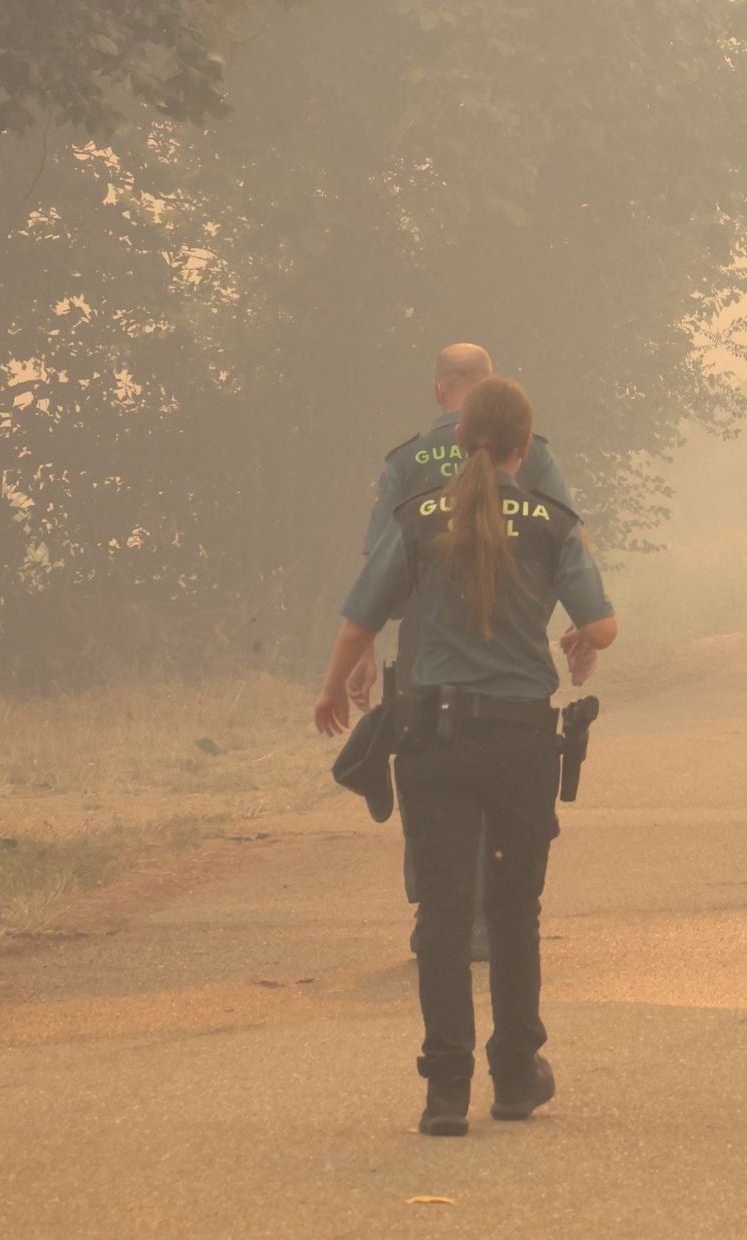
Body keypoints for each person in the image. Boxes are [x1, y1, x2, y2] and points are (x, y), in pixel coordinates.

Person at [315, 376, 618, 1137]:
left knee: (444, 916)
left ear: (458, 438)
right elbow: (603, 624)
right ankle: (515, 1077)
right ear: (526, 445)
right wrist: (579, 635)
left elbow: (360, 620)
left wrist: (330, 690)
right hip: (520, 743)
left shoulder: (419, 516)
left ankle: (445, 1091)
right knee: (514, 912)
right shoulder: (552, 522)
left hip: (436, 740)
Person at [350, 343, 585, 963]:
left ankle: (436, 912)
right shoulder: (534, 452)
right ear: (492, 387)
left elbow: (378, 562)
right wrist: (579, 627)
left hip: (426, 649)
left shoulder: (404, 460)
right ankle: (493, 918)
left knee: (428, 771)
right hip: (513, 646)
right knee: (505, 770)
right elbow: (568, 537)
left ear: (440, 391)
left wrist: (362, 651)